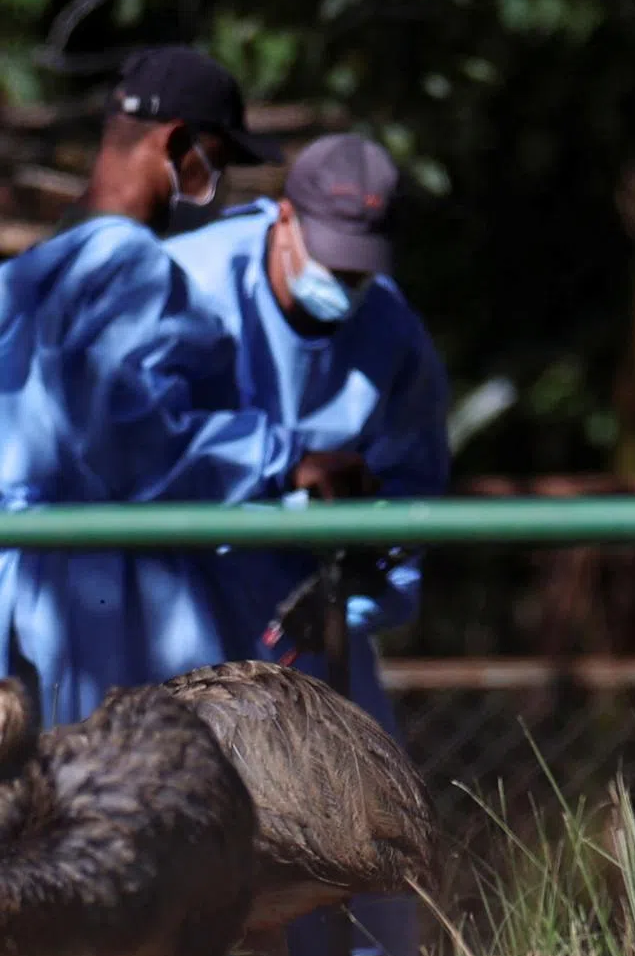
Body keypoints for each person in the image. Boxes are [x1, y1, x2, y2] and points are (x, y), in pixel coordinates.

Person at [162, 134, 450, 956]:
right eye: (331, 264)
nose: (344, 286)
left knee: (364, 821)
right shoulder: (184, 287)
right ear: (282, 219)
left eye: (361, 271)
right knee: (184, 829)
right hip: (183, 596)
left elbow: (410, 492)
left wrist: (363, 577)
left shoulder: (391, 332)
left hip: (315, 615)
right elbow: (142, 442)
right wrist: (283, 469)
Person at [0, 45, 376, 728]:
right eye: (219, 161)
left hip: (22, 581)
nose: (221, 184)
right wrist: (285, 461)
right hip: (99, 589)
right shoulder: (129, 262)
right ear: (177, 143)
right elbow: (132, 439)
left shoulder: (32, 270)